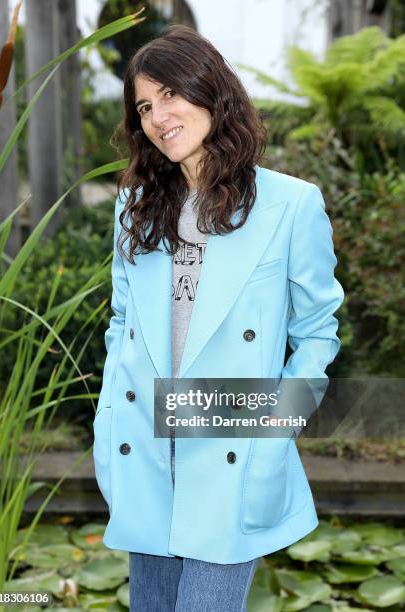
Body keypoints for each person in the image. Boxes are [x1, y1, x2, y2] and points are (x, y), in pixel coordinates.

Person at [92, 24, 344, 612]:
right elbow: (120, 322)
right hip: (147, 447)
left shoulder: (289, 204)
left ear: (211, 91)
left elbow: (317, 332)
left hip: (231, 445)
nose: (159, 117)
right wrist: (108, 419)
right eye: (145, 107)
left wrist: (275, 428)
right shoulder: (137, 206)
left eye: (171, 95)